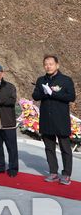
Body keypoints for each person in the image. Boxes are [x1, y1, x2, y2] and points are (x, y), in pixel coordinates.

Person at [32, 55, 76, 185]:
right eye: (46, 64)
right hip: (46, 118)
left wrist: (53, 93)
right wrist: (44, 92)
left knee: (65, 148)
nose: (48, 66)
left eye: (51, 64)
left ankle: (66, 174)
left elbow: (71, 97)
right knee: (49, 147)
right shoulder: (41, 80)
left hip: (61, 119)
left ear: (57, 65)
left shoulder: (66, 80)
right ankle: (53, 172)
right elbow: (35, 95)